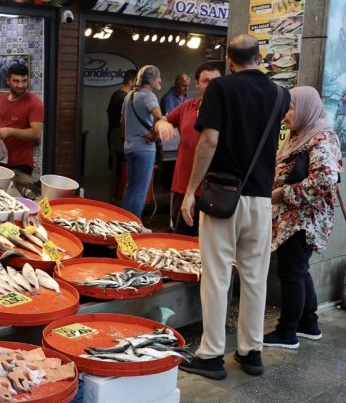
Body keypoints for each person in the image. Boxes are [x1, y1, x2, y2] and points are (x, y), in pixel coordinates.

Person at [178, 34, 290, 379]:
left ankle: (211, 355)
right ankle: (250, 351)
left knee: (216, 275)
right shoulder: (280, 94)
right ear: (261, 57)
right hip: (260, 199)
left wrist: (190, 191)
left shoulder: (221, 89)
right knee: (255, 277)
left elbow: (209, 140)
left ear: (229, 60)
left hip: (222, 198)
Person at [264, 86, 343, 349]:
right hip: (293, 218)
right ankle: (309, 324)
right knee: (298, 270)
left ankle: (287, 332)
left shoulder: (321, 138)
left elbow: (324, 180)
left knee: (291, 272)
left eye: (290, 108)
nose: (285, 115)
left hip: (304, 220)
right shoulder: (302, 135)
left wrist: (282, 194)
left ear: (305, 108)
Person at [154, 63, 222, 236]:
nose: (212, 85)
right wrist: (162, 124)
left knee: (209, 244)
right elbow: (164, 119)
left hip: (214, 190)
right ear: (197, 83)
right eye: (207, 81)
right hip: (183, 188)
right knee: (181, 239)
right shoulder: (188, 107)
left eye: (217, 81)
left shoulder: (228, 110)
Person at [119, 65, 175, 218]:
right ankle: (135, 224)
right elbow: (159, 117)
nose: (161, 80)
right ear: (150, 80)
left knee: (131, 187)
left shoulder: (129, 95)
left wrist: (129, 138)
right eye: (159, 77)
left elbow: (122, 122)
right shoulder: (149, 96)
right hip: (144, 148)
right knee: (141, 190)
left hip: (129, 147)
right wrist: (153, 135)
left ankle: (124, 221)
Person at [0, 63, 44, 175]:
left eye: (24, 81)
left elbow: (36, 133)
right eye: (16, 81)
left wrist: (10, 131)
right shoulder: (1, 99)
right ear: (8, 81)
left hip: (20, 164)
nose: (21, 85)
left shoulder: (35, 103)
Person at [106, 69, 137, 170]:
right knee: (122, 167)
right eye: (137, 81)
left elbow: (109, 114)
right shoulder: (125, 97)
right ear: (130, 82)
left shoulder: (115, 94)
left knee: (117, 166)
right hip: (120, 135)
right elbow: (126, 120)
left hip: (113, 133)